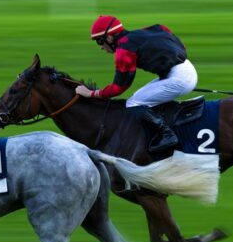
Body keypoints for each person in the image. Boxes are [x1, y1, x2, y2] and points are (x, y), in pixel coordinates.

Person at [75, 15, 198, 152]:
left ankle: (167, 134)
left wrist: (91, 93)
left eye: (99, 41)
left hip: (179, 77)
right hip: (183, 69)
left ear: (109, 38)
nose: (101, 48)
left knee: (133, 103)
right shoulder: (142, 32)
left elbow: (119, 88)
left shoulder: (124, 50)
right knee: (140, 97)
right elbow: (163, 29)